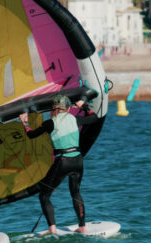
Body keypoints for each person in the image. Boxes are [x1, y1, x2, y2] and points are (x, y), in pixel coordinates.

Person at [19, 95, 99, 234]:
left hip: (63, 162)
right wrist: (84, 107)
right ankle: (82, 227)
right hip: (78, 161)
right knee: (76, 193)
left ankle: (53, 229)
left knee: (44, 195)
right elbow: (94, 117)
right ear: (68, 108)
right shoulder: (75, 119)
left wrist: (25, 122)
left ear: (53, 109)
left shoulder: (50, 122)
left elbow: (31, 134)